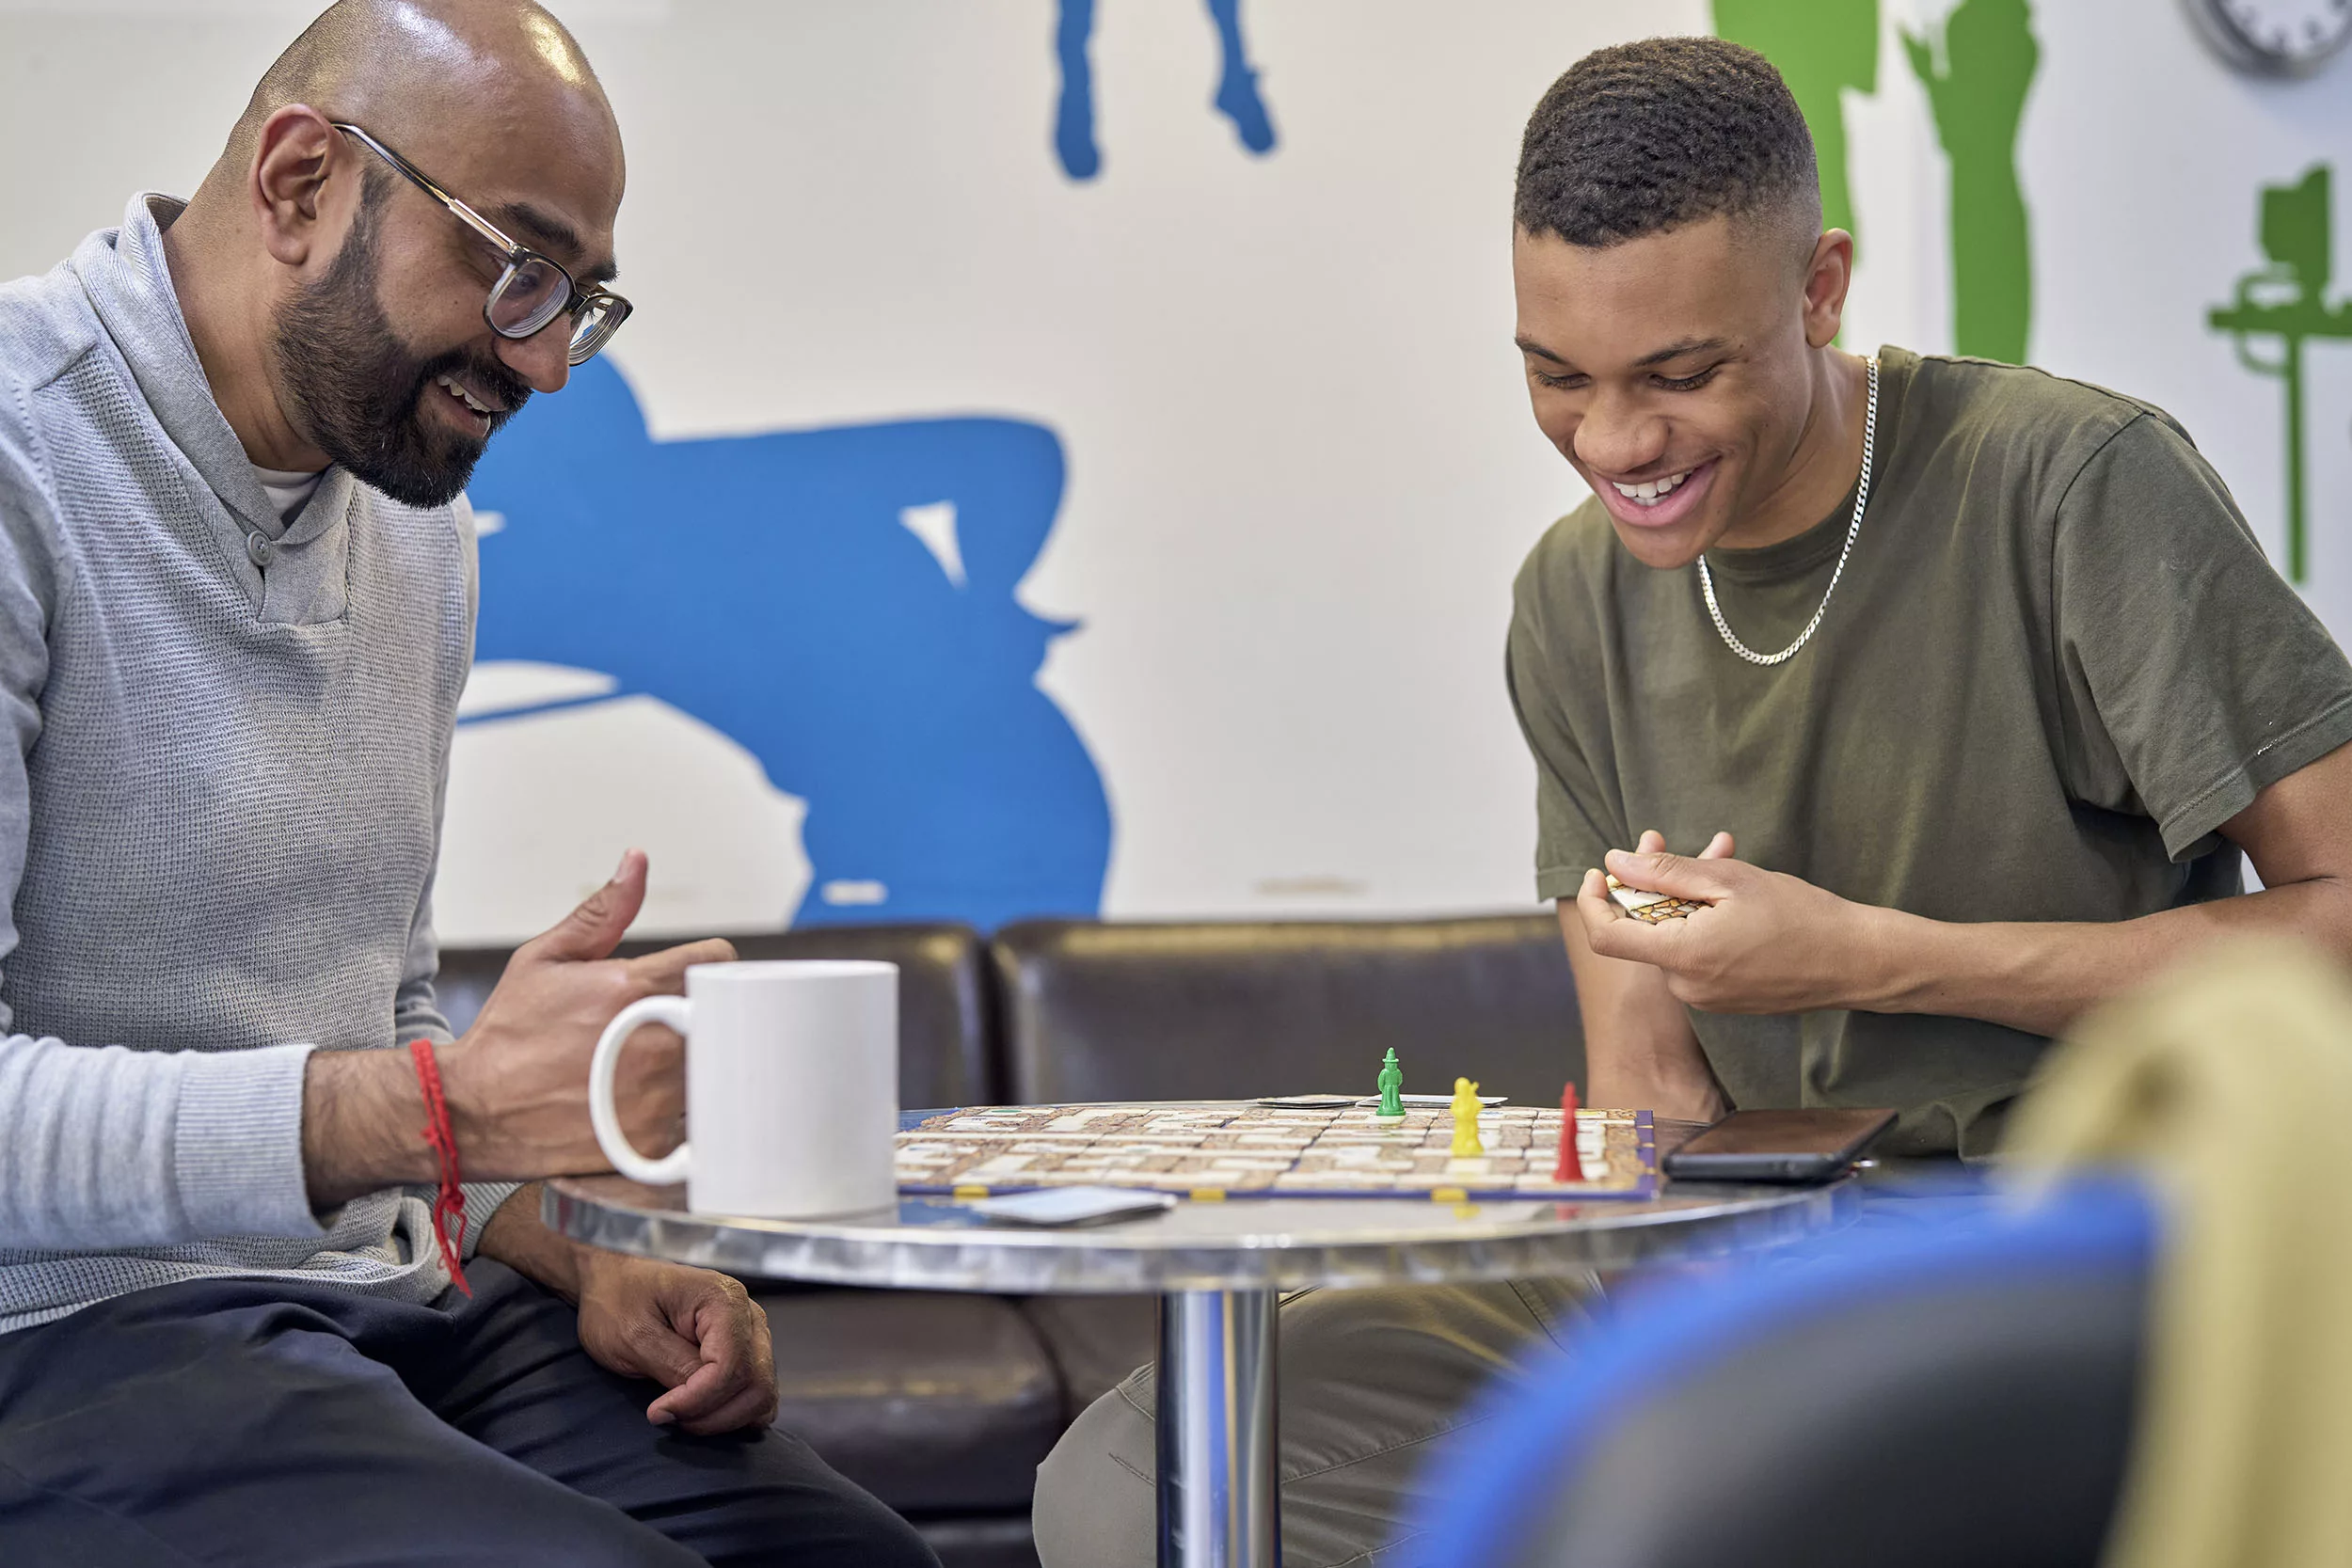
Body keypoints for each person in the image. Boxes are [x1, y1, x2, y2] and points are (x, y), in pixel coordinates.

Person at [1032, 34, 2352, 1567]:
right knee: (1141, 1482)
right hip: (1739, 1237)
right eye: (1556, 376)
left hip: (2059, 1235)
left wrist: (1871, 955)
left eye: (1679, 374)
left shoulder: (2068, 486)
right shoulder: (1571, 600)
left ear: (1819, 289)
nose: (1614, 444)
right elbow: (1647, 1092)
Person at [0, 3, 935, 1564]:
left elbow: (382, 1004)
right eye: (519, 269)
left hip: (380, 1300)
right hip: (70, 1340)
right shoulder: (25, 465)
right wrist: (444, 1112)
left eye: (582, 301)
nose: (552, 361)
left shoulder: (408, 510)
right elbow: (398, 1094)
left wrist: (570, 1241)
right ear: (301, 185)